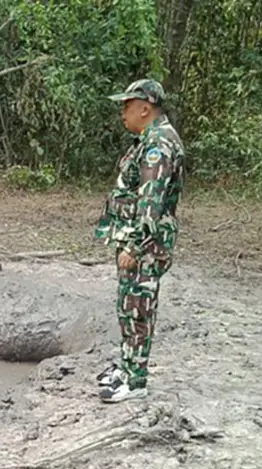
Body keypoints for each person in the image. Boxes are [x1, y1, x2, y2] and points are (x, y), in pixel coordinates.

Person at [93, 78, 186, 403]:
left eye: (127, 106)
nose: (122, 113)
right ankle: (127, 365)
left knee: (138, 308)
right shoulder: (150, 139)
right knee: (129, 305)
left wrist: (134, 246)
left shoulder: (158, 145)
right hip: (141, 239)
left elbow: (151, 202)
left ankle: (136, 381)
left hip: (147, 243)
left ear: (145, 108)